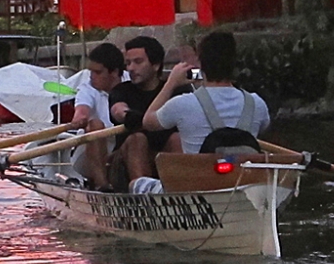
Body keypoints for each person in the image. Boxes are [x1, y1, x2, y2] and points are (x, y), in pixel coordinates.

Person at [143, 30, 270, 166]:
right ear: (234, 63)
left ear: (201, 64)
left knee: (137, 184)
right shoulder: (257, 104)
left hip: (200, 183)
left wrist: (171, 83)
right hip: (246, 182)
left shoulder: (183, 104)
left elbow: (148, 122)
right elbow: (263, 127)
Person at [108, 36, 185, 189]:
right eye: (128, 63)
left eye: (138, 62)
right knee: (138, 139)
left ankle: (181, 191)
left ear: (156, 65)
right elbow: (118, 109)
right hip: (124, 164)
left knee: (177, 138)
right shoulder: (121, 90)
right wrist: (127, 115)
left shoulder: (179, 92)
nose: (130, 68)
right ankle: (144, 196)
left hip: (162, 158)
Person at [68, 43, 125, 190]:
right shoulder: (87, 89)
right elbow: (81, 111)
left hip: (120, 149)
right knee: (95, 125)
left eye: (98, 72)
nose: (92, 77)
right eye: (91, 72)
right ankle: (102, 185)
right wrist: (79, 119)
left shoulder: (131, 83)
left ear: (114, 73)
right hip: (87, 153)